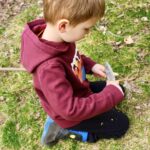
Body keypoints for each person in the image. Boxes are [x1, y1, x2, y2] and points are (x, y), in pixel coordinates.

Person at [21, 0, 129, 145]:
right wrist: (109, 95)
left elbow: (71, 58)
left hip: (77, 88)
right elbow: (71, 110)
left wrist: (91, 66)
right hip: (70, 114)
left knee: (119, 90)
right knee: (120, 125)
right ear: (63, 25)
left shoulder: (58, 37)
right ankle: (64, 130)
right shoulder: (49, 69)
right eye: (86, 29)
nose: (88, 33)